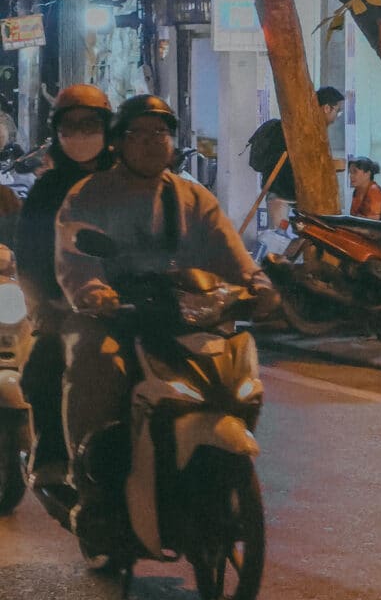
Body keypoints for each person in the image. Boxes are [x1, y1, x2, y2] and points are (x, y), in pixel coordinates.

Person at [57, 95, 274, 538]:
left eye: (162, 133)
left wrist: (257, 284)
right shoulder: (89, 195)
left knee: (232, 370)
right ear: (118, 143)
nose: (154, 142)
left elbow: (231, 253)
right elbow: (75, 256)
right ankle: (92, 485)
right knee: (95, 362)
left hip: (182, 316)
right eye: (140, 133)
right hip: (114, 317)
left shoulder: (194, 197)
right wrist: (92, 290)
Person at [14, 84, 114, 488]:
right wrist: (43, 308)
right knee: (44, 367)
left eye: (90, 124)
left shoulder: (132, 183)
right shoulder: (48, 191)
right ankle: (53, 452)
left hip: (136, 306)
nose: (81, 134)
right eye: (71, 126)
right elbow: (30, 256)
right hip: (69, 310)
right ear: (57, 132)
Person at [248, 85, 344, 224]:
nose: (337, 117)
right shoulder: (304, 128)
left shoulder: (308, 127)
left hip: (288, 196)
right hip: (284, 196)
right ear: (327, 108)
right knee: (281, 240)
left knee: (287, 240)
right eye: (338, 111)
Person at [347, 156, 381, 221]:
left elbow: (373, 221)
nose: (351, 176)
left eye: (355, 172)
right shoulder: (357, 191)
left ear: (367, 174)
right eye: (350, 172)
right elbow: (353, 216)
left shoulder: (374, 190)